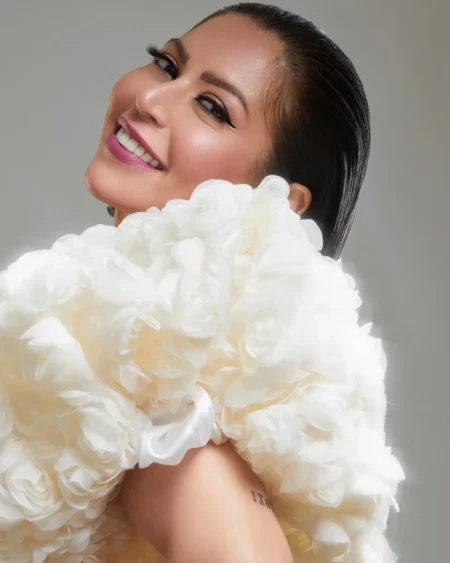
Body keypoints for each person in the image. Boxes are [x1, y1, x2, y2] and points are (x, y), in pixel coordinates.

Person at [83, 3, 374, 562]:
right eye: (167, 65)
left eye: (212, 107)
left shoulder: (179, 434)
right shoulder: (107, 375)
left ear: (281, 204)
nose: (149, 98)